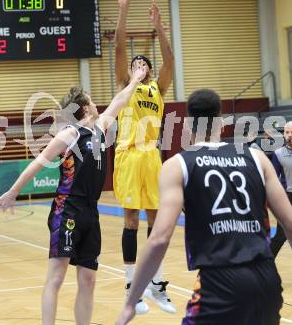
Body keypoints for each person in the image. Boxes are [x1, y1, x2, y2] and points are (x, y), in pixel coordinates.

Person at [116, 88, 292, 325]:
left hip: (219, 282)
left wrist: (131, 302)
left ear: (188, 125)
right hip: (267, 280)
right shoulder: (257, 158)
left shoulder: (177, 165)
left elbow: (158, 239)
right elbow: (289, 222)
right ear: (221, 123)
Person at [0, 66, 145, 325]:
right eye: (90, 100)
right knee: (56, 276)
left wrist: (134, 79)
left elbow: (119, 100)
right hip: (67, 209)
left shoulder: (100, 129)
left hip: (91, 211)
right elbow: (39, 162)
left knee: (88, 279)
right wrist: (13, 191)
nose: (96, 104)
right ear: (85, 108)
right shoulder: (71, 134)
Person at [113, 0, 176, 314]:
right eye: (135, 62)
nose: (138, 63)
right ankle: (130, 288)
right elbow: (121, 50)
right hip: (127, 153)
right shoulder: (127, 85)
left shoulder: (157, 88)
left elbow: (169, 60)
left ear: (149, 69)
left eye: (144, 61)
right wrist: (123, 10)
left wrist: (159, 27)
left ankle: (156, 283)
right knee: (131, 221)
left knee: (157, 222)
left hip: (151, 155)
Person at [270, 120, 292, 257]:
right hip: (287, 198)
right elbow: (272, 177)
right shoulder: (278, 154)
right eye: (287, 132)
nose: (290, 135)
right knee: (280, 235)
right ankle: (265, 263)